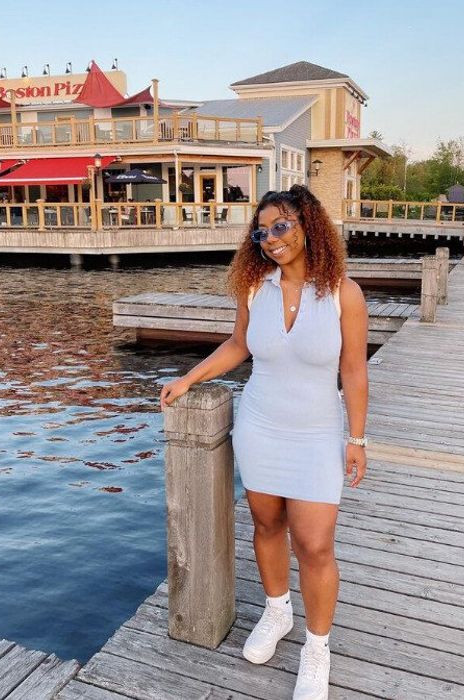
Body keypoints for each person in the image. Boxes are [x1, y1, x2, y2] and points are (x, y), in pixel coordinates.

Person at [159, 185, 369, 700]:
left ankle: (317, 650)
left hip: (318, 432)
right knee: (266, 524)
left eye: (282, 226)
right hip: (260, 426)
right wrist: (188, 379)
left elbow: (355, 371)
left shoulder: (344, 292)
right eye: (263, 231)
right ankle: (278, 613)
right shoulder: (256, 288)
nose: (272, 238)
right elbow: (237, 344)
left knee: (315, 544)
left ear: (309, 224)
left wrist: (357, 438)